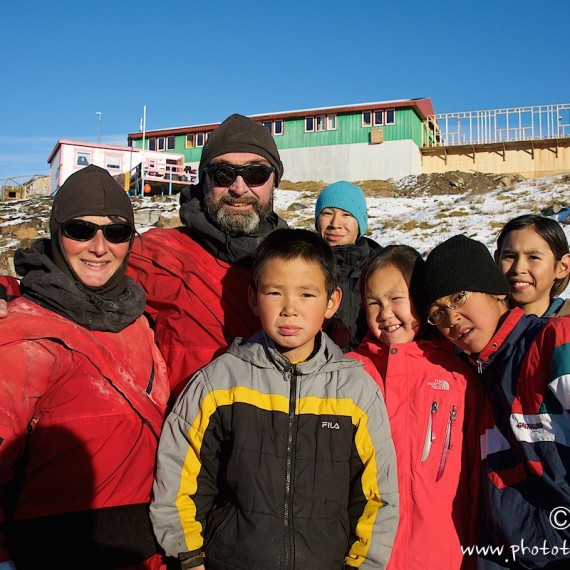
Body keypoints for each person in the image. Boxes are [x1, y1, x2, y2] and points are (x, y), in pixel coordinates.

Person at [150, 228, 399, 570]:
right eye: (274, 292)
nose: (289, 309)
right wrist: (189, 558)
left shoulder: (355, 390)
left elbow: (377, 496)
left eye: (307, 295)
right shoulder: (219, 382)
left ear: (332, 302)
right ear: (253, 298)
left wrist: (363, 564)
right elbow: (180, 478)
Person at [0, 165, 170, 569]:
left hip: (144, 554)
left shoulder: (138, 321)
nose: (99, 246)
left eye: (116, 232)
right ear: (56, 232)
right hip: (52, 554)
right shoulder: (23, 336)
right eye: (80, 230)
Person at [423, 234, 570, 569]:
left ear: (495, 290)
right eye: (437, 312)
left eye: (458, 297)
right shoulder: (474, 380)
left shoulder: (552, 342)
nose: (451, 318)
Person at [126, 113, 288, 399]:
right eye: (223, 174)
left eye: (255, 174)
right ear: (204, 180)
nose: (239, 188)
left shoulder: (301, 266)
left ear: (274, 181)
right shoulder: (154, 255)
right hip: (188, 437)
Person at [347, 245, 477, 570]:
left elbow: (475, 473)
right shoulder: (349, 371)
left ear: (419, 298)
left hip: (442, 551)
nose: (385, 313)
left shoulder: (457, 375)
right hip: (364, 553)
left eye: (396, 299)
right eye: (373, 302)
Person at [315, 180, 380, 351]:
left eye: (346, 214)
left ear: (360, 223)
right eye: (327, 213)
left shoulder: (381, 267)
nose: (335, 223)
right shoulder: (304, 265)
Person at [494, 214, 570, 317]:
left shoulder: (565, 327)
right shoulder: (480, 324)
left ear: (563, 267)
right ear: (497, 260)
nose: (518, 268)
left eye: (533, 257)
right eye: (510, 256)